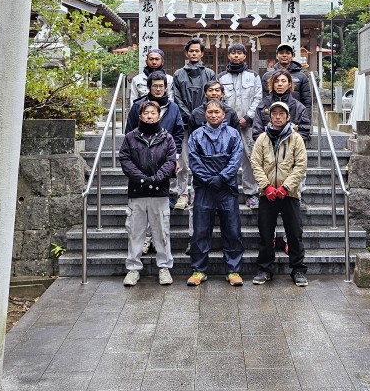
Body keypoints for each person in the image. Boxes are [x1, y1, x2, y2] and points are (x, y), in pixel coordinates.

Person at [186, 99, 245, 287]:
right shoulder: (196, 135)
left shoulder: (233, 134)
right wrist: (209, 179)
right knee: (200, 231)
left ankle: (233, 270)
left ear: (223, 114)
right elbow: (193, 160)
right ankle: (198, 270)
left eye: (217, 112)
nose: (213, 115)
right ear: (205, 114)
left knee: (232, 230)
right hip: (204, 188)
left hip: (227, 188)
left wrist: (222, 177)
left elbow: (236, 159)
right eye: (210, 112)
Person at [118, 100, 177, 287]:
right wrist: (142, 179)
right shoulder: (130, 137)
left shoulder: (167, 138)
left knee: (161, 232)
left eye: (153, 113)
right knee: (135, 232)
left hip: (160, 192)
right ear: (140, 115)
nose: (150, 116)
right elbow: (125, 159)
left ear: (159, 115)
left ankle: (164, 267)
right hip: (137, 191)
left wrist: (157, 178)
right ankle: (133, 268)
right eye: (146, 113)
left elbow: (170, 161)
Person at [250, 101, 308, 286]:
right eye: (274, 113)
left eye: (281, 114)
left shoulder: (296, 139)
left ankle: (298, 269)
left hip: (289, 194)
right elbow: (256, 164)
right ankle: (265, 269)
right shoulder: (262, 139)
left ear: (288, 117)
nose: (277, 116)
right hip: (267, 194)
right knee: (265, 234)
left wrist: (286, 187)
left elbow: (300, 165)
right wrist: (266, 187)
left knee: (294, 233)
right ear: (269, 117)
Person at [172, 38, 216, 210]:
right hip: (183, 124)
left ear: (202, 53)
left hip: (204, 123)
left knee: (204, 159)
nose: (194, 53)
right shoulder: (178, 74)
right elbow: (177, 98)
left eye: (197, 51)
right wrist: (189, 116)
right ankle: (182, 194)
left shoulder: (209, 73)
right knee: (183, 161)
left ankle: (200, 191)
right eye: (191, 51)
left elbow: (212, 96)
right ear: (186, 53)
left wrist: (199, 116)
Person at [218, 42, 264, 209]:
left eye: (239, 53)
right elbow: (218, 100)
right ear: (228, 55)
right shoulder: (221, 77)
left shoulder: (253, 76)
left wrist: (248, 117)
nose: (236, 55)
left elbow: (258, 98)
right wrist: (229, 119)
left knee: (250, 158)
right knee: (224, 158)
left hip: (248, 125)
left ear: (245, 55)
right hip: (226, 125)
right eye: (233, 53)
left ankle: (251, 193)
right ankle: (225, 193)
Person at [252, 69, 311, 143]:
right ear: (272, 84)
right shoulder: (263, 105)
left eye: (283, 81)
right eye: (276, 81)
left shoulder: (299, 108)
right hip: (267, 147)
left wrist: (289, 145)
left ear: (289, 84)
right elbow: (257, 132)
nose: (280, 84)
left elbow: (304, 132)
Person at [261, 43, 312, 115]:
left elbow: (307, 101)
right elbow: (264, 100)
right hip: (275, 116)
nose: (284, 55)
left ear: (292, 56)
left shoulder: (301, 76)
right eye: (281, 53)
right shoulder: (267, 76)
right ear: (277, 56)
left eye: (288, 53)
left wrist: (306, 118)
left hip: (295, 115)